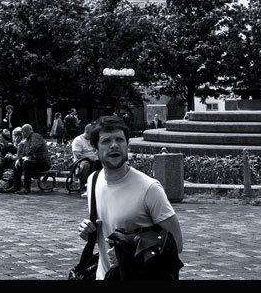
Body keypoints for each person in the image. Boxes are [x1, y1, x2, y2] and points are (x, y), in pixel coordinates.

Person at [77, 115, 183, 280]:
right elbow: (108, 232)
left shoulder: (149, 188)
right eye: (106, 141)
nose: (114, 145)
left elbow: (176, 243)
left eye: (119, 139)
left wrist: (129, 252)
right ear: (96, 149)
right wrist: (90, 232)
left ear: (127, 145)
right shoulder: (93, 180)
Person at [11, 124, 51, 194]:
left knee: (26, 163)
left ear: (26, 132)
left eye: (23, 132)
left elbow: (32, 149)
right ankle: (16, 186)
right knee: (17, 162)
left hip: (43, 163)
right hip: (35, 161)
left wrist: (25, 157)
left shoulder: (36, 136)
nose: (22, 134)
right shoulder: (27, 140)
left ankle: (26, 188)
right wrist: (19, 159)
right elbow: (24, 153)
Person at [72, 122, 102, 193]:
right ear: (88, 132)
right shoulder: (78, 140)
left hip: (95, 159)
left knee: (101, 162)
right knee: (86, 164)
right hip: (81, 161)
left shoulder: (95, 140)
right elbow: (78, 154)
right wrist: (89, 158)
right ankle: (85, 185)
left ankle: (97, 184)